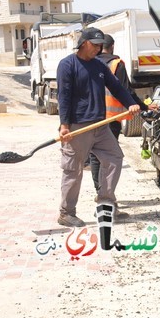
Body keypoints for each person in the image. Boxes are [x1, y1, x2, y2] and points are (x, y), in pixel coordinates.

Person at [56, 27, 141, 227]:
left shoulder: (99, 66)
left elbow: (117, 87)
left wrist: (131, 103)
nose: (98, 49)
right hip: (78, 127)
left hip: (100, 126)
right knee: (73, 170)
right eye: (94, 45)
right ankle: (66, 213)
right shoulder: (67, 65)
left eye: (100, 45)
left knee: (114, 159)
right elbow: (64, 97)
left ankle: (105, 203)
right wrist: (64, 125)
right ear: (83, 43)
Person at [88, 34, 149, 191]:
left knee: (95, 156)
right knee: (110, 157)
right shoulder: (116, 64)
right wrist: (144, 107)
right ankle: (105, 195)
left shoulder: (89, 63)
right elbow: (125, 91)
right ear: (112, 46)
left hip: (91, 117)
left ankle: (99, 190)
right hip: (110, 118)